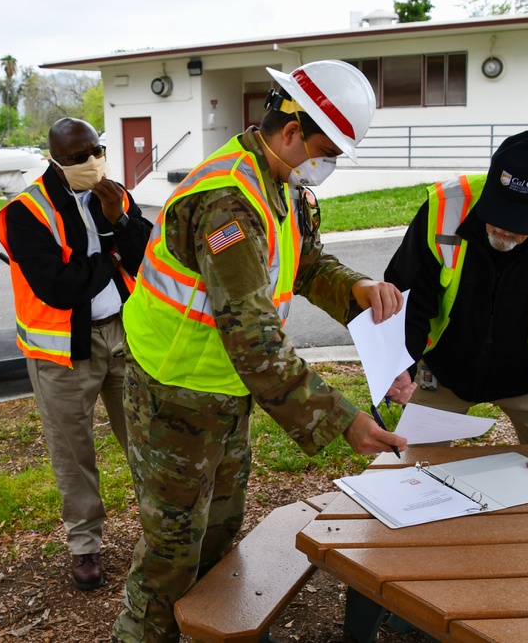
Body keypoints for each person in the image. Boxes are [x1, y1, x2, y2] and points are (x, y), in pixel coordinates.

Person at [111, 60, 411, 642]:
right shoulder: (226, 202)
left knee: (220, 531)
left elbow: (305, 263)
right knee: (172, 552)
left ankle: (206, 631)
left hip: (225, 391)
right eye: (328, 150)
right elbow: (253, 337)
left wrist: (355, 290)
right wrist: (342, 420)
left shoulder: (285, 184)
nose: (329, 166)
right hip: (175, 393)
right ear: (293, 131)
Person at [384, 129, 528, 488]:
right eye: (499, 211)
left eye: (520, 221)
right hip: (442, 371)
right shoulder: (445, 206)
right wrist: (401, 365)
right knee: (406, 478)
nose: (504, 228)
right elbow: (408, 296)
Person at [0, 117, 152, 590]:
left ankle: (163, 529)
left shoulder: (114, 194)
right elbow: (59, 287)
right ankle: (85, 545)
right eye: (78, 156)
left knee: (146, 436)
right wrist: (108, 246)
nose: (91, 162)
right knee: (73, 452)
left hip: (124, 336)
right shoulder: (26, 212)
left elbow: (146, 253)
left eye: (96, 150)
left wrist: (120, 221)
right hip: (61, 352)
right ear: (54, 159)